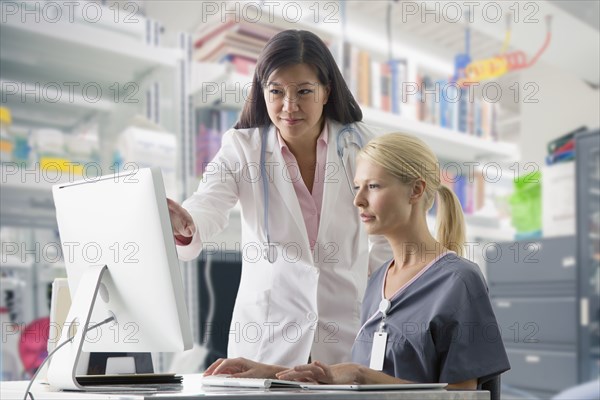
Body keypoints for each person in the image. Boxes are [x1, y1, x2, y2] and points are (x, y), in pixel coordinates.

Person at [203, 133, 511, 389]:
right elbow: (361, 384)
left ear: (416, 189)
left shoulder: (459, 282)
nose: (358, 200)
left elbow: (463, 397)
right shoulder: (378, 280)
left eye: (373, 186)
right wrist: (271, 374)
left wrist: (358, 374)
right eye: (356, 187)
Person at [168, 29, 392, 367]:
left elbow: (387, 230)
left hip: (347, 332)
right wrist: (187, 223)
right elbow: (208, 202)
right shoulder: (243, 148)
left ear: (326, 92)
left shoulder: (361, 145)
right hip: (268, 338)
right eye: (276, 91)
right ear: (263, 91)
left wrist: (377, 290)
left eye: (304, 91)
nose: (289, 107)